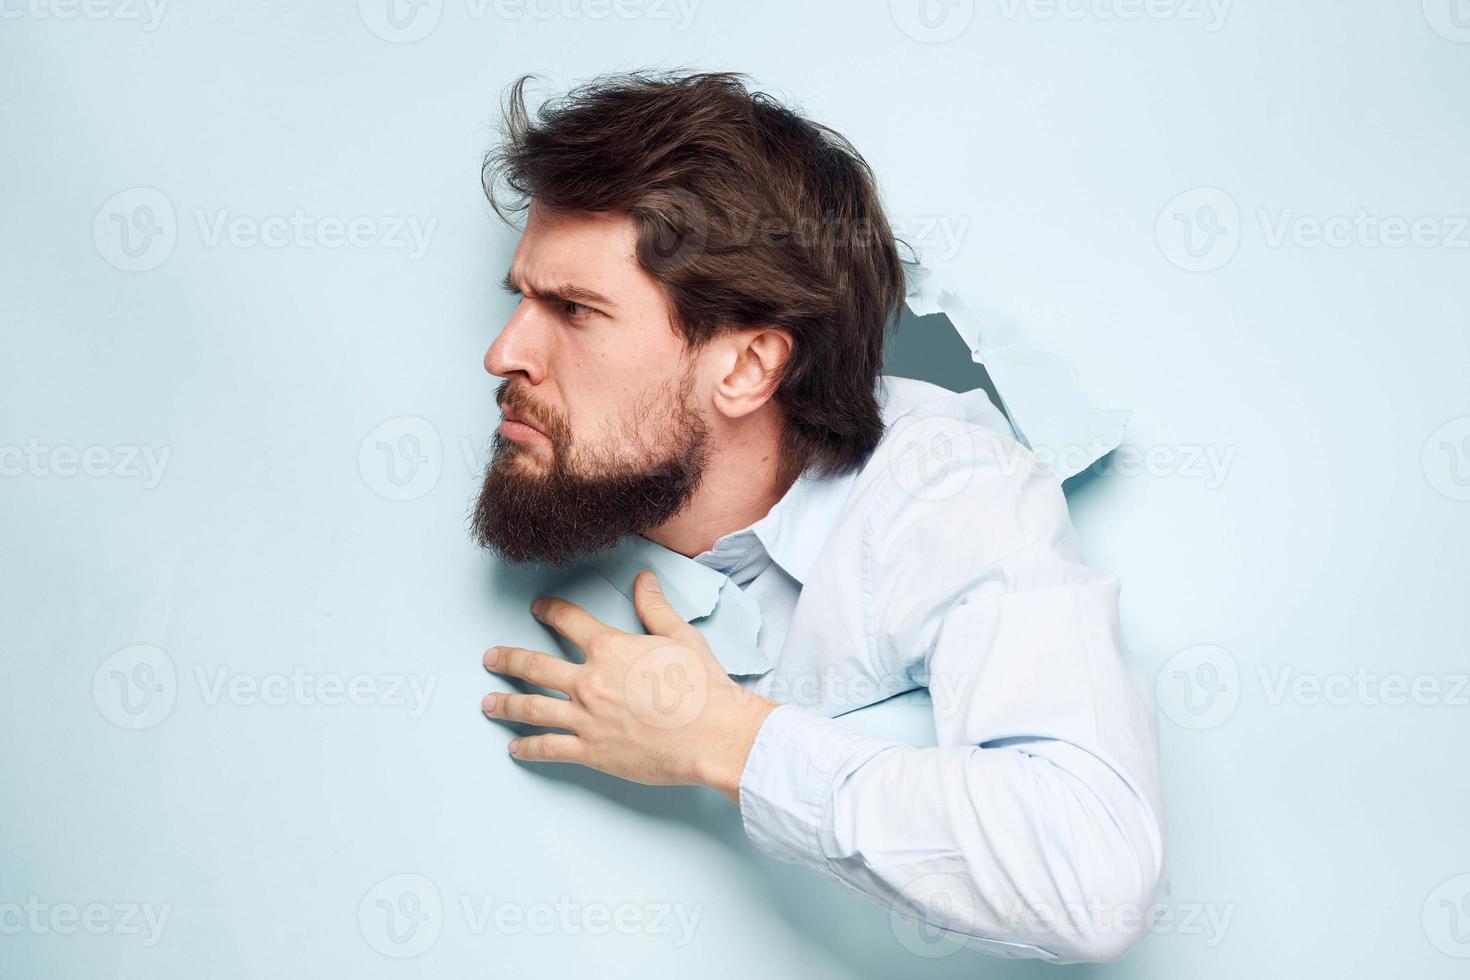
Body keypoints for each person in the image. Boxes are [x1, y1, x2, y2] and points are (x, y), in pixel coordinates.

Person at [471, 71, 1164, 962]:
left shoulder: (945, 491)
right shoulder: (574, 484)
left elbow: (1091, 872)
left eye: (574, 310)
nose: (502, 353)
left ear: (749, 367)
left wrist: (717, 738)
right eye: (519, 299)